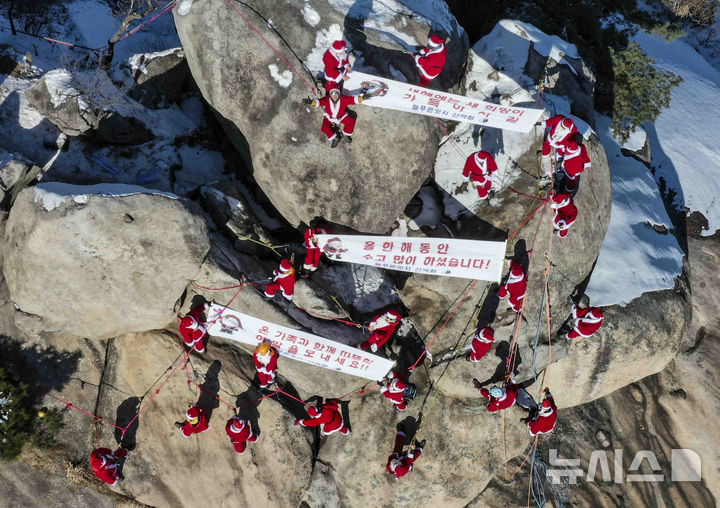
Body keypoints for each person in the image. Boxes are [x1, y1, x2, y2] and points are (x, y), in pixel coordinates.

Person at [302, 88, 370, 148]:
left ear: (339, 94)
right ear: (330, 94)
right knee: (324, 128)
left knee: (351, 121)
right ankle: (336, 137)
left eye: (337, 93)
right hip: (329, 117)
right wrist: (311, 102)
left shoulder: (343, 99)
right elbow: (319, 102)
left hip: (340, 117)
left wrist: (363, 98)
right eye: (333, 93)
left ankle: (346, 134)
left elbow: (352, 100)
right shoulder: (327, 99)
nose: (335, 95)